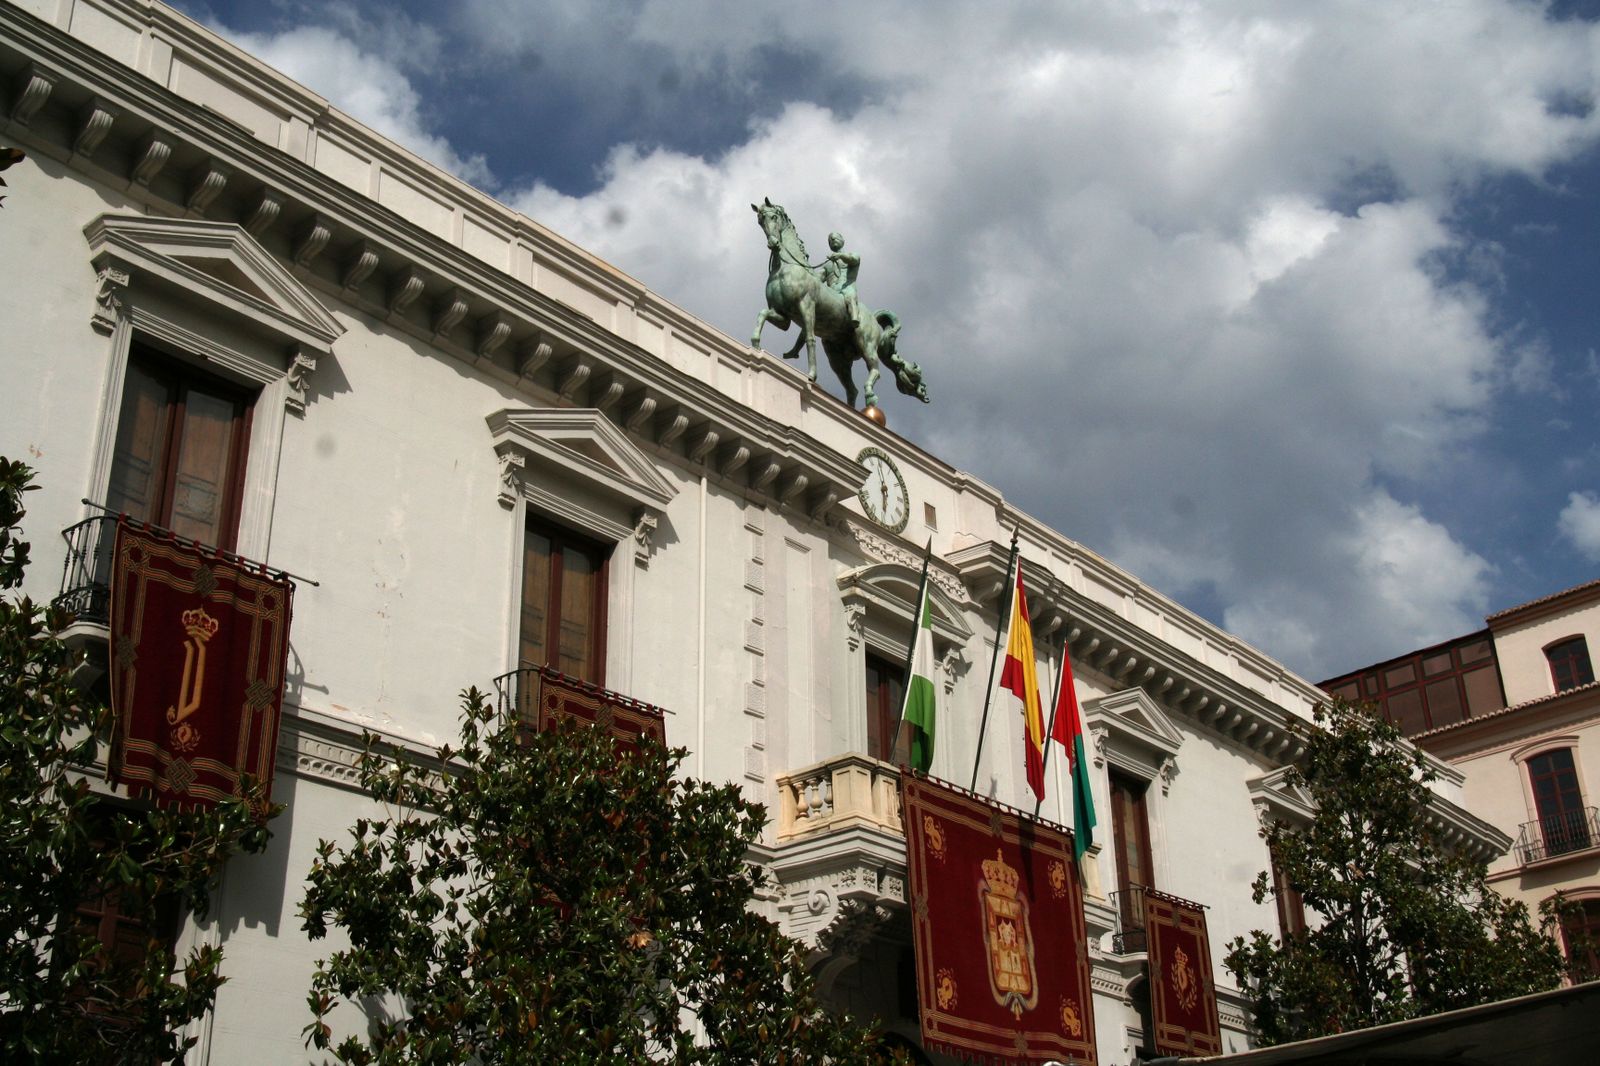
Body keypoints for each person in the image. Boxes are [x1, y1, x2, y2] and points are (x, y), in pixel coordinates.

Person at [823, 231, 862, 328]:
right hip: (832, 291)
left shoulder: (852, 255)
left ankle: (854, 317)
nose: (832, 239)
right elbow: (818, 278)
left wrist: (840, 256)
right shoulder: (827, 264)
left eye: (835, 237)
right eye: (830, 240)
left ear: (843, 240)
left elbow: (854, 260)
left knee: (850, 296)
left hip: (847, 287)